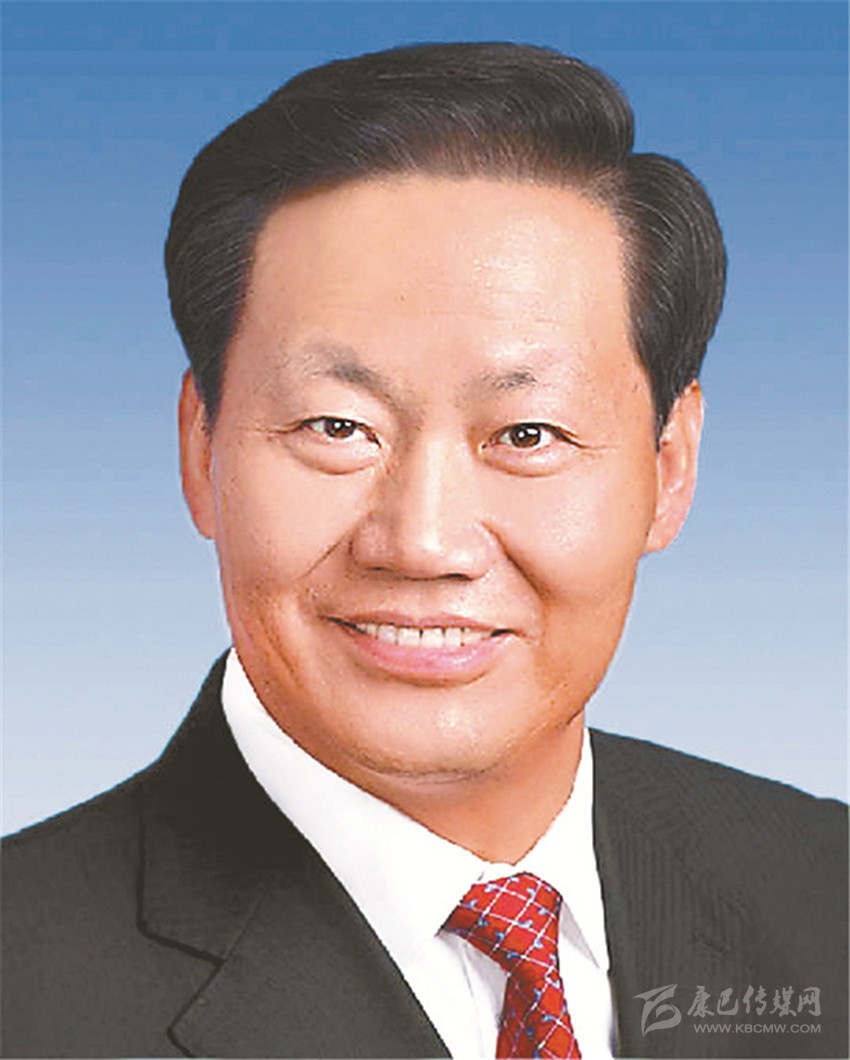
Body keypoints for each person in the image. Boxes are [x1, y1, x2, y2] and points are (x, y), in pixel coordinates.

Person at [2, 42, 845, 1060]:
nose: (423, 541)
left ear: (669, 469)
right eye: (337, 427)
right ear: (200, 449)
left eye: (526, 434)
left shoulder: (824, 889)